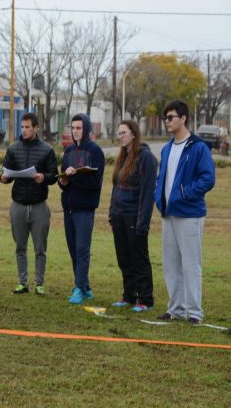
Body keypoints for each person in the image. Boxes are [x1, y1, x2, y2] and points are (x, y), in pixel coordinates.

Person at [154, 100, 215, 324]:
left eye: (170, 117)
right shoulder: (167, 147)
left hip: (189, 214)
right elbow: (162, 178)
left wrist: (184, 193)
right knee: (171, 263)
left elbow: (208, 179)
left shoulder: (198, 147)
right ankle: (176, 309)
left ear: (183, 118)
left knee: (191, 264)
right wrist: (158, 197)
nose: (167, 122)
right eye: (165, 118)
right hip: (168, 214)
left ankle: (195, 313)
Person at [0, 113, 57, 295]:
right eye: (22, 127)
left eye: (27, 127)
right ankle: (22, 282)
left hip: (39, 205)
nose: (24, 130)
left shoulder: (47, 150)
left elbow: (53, 175)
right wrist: (3, 178)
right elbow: (6, 172)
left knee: (40, 248)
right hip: (18, 205)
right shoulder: (13, 149)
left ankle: (39, 283)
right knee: (20, 247)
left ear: (36, 128)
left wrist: (44, 177)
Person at [109, 120, 158, 313]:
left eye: (123, 132)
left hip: (134, 218)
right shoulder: (123, 157)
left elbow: (147, 195)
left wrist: (142, 223)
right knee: (124, 258)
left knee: (139, 259)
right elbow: (115, 190)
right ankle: (129, 295)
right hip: (119, 217)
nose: (120, 136)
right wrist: (112, 215)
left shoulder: (145, 158)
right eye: (119, 132)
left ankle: (146, 298)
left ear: (133, 134)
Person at [58, 113, 105, 304]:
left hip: (85, 209)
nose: (75, 131)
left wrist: (74, 176)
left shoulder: (95, 152)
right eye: (73, 128)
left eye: (79, 128)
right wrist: (63, 180)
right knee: (72, 250)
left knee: (82, 249)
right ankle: (84, 286)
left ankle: (78, 288)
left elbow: (95, 182)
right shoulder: (68, 152)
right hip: (68, 207)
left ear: (86, 129)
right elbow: (62, 181)